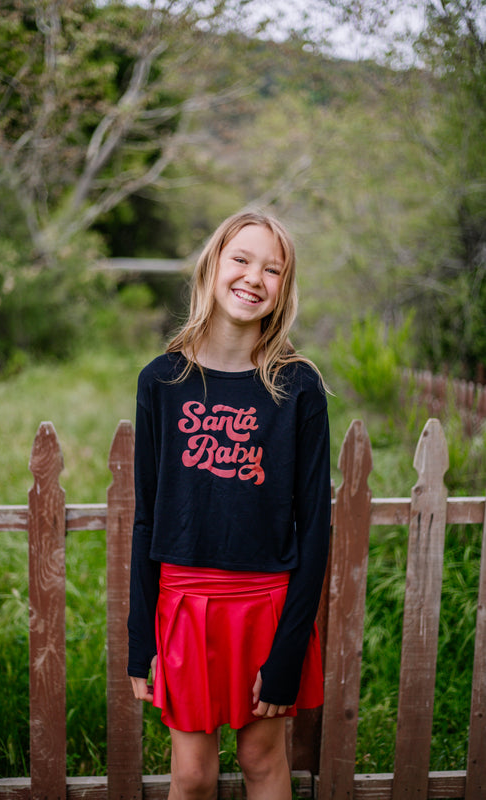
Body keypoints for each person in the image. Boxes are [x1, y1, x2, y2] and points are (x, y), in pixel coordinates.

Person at [127, 210, 331, 800]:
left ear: (282, 290)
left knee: (264, 762)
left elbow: (315, 525)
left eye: (273, 268)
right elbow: (147, 516)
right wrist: (144, 637)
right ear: (213, 265)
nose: (253, 277)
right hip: (185, 602)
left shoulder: (297, 387)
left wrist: (291, 646)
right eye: (241, 258)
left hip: (266, 603)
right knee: (191, 775)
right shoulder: (162, 381)